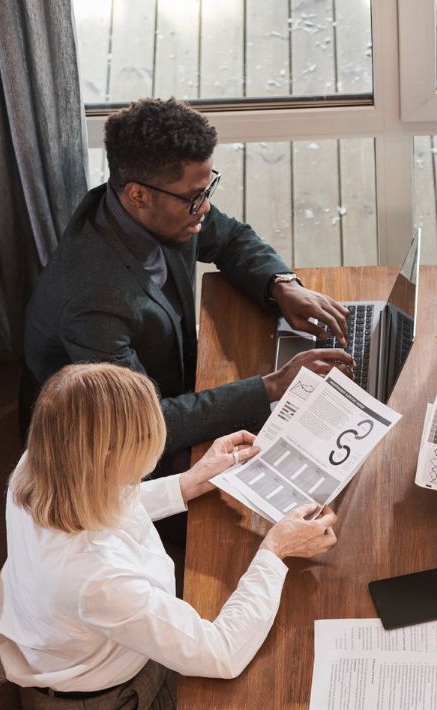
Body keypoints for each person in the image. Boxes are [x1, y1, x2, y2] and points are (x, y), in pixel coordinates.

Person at [0, 362, 338, 710]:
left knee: (253, 609)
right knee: (271, 680)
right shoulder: (95, 579)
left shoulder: (39, 465)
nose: (152, 455)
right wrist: (276, 549)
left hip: (90, 663)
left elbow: (107, 502)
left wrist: (191, 481)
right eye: (142, 447)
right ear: (107, 458)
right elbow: (221, 656)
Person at [23, 97, 354, 465]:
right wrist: (273, 386)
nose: (206, 207)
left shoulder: (160, 209)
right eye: (196, 197)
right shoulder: (94, 300)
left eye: (207, 190)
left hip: (166, 387)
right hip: (101, 442)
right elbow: (143, 423)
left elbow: (228, 237)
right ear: (138, 195)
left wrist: (283, 285)